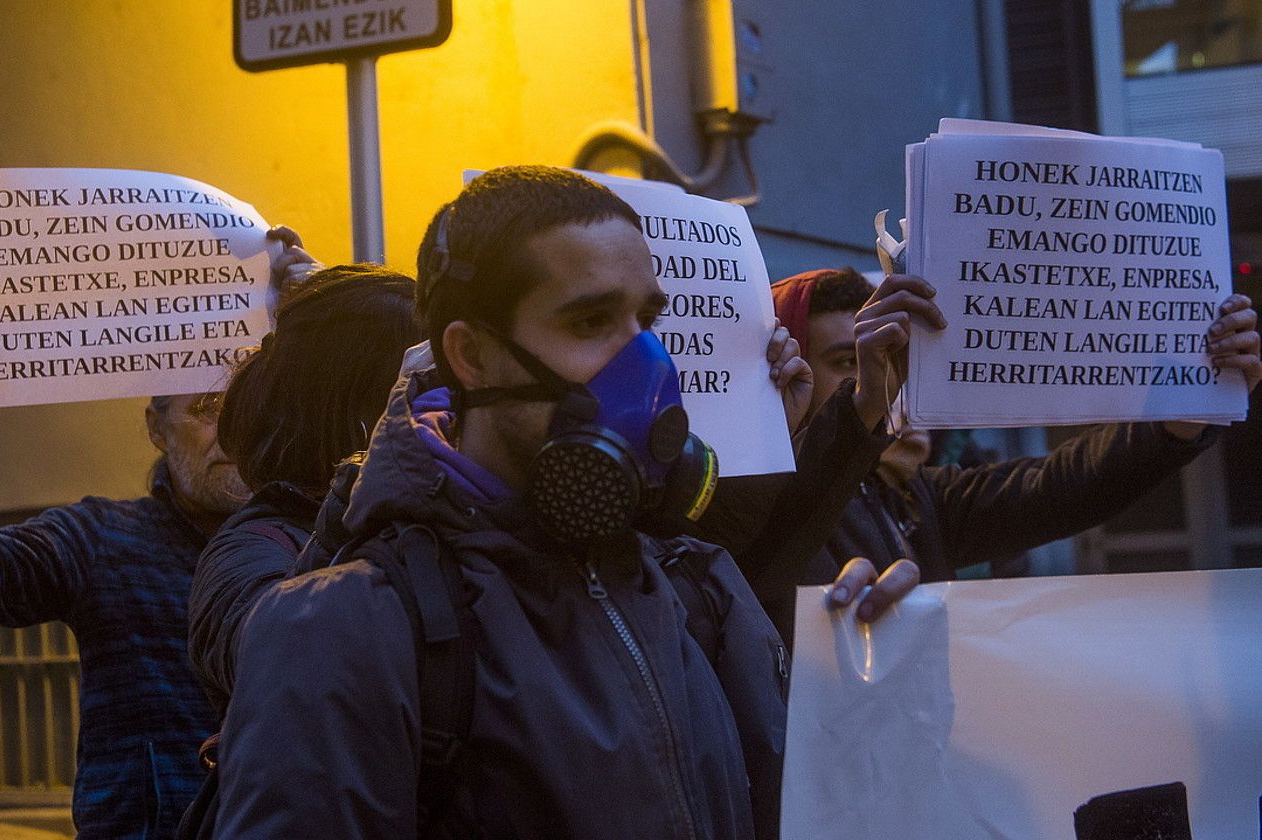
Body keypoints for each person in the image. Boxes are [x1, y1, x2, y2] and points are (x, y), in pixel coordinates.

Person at [212, 166, 915, 840]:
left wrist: (850, 705)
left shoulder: (698, 590)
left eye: (646, 319)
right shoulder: (343, 628)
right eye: (589, 323)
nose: (646, 364)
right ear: (473, 356)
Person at [0, 281, 250, 839]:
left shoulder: (321, 543)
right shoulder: (106, 539)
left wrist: (331, 320)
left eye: (249, 408)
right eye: (206, 408)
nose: (232, 431)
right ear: (156, 427)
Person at [761, 266, 1262, 616]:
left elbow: (1059, 488)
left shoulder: (909, 499)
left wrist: (1180, 417)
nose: (881, 382)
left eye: (887, 361)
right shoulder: (748, 510)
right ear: (787, 370)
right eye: (847, 361)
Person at [188, 264, 424, 716]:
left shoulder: (444, 510)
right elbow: (273, 654)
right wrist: (365, 490)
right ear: (373, 410)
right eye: (423, 388)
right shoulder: (250, 547)